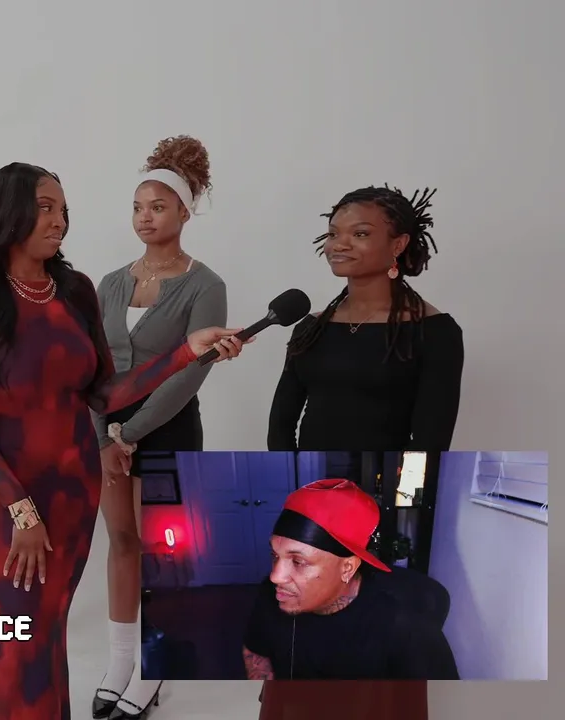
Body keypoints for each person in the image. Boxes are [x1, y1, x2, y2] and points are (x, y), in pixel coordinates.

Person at [0, 162, 247, 720]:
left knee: (49, 632)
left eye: (63, 209)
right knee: (20, 642)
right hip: (6, 493)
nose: (59, 221)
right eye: (45, 208)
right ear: (8, 212)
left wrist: (184, 352)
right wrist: (21, 510)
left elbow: (105, 392)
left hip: (73, 488)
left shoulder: (75, 290)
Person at [92, 136, 226, 719]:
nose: (145, 217)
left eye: (159, 207)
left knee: (159, 552)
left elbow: (191, 373)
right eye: (138, 207)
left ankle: (155, 662)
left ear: (184, 213)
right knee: (121, 542)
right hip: (107, 431)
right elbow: (93, 365)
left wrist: (132, 433)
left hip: (166, 427)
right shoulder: (110, 282)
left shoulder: (205, 284)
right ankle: (121, 660)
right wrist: (104, 435)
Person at [267, 185, 464, 451]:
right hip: (311, 474)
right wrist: (293, 471)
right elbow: (280, 426)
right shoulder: (311, 328)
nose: (339, 244)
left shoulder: (434, 331)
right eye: (333, 233)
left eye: (360, 233)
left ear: (398, 244)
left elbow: (431, 442)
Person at [246, 480, 458, 720]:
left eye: (298, 562)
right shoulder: (271, 594)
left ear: (347, 568)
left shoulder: (407, 626)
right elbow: (256, 651)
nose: (276, 576)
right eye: (275, 555)